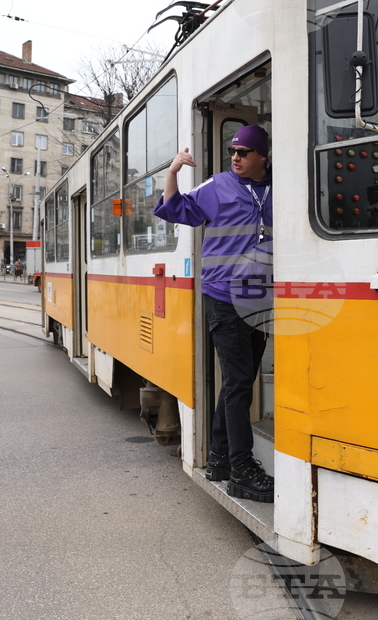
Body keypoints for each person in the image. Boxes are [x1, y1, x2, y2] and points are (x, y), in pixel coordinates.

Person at [154, 126, 275, 503]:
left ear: (262, 157)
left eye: (244, 151)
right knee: (239, 382)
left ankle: (221, 456)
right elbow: (174, 210)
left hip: (261, 298)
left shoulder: (279, 189)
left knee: (239, 381)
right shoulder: (218, 186)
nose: (236, 157)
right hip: (223, 297)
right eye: (232, 150)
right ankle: (242, 466)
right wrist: (173, 172)